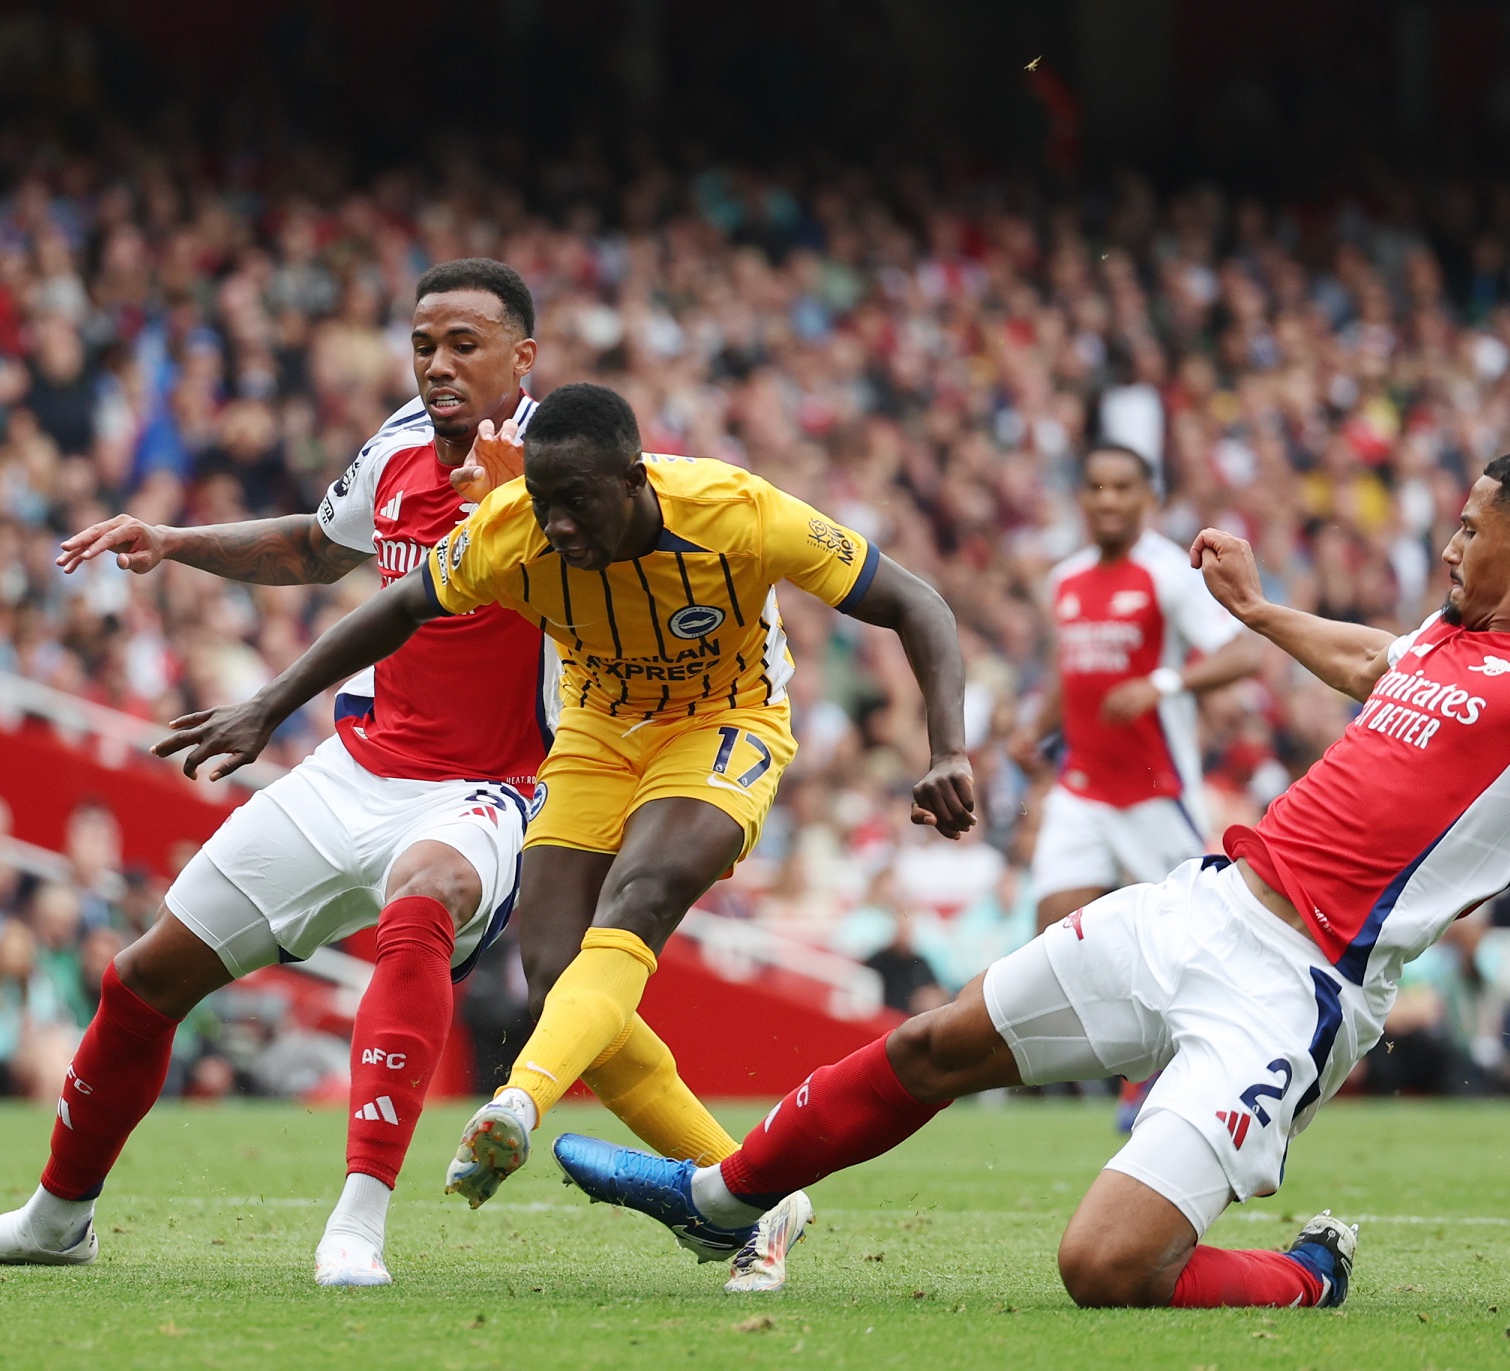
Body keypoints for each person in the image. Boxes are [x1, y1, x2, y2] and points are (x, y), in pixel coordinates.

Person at [553, 444, 1510, 1310]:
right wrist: (1260, 611)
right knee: (932, 1047)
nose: (1449, 543)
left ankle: (1307, 1277)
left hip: (1300, 987)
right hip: (1203, 902)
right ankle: (720, 1205)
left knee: (1105, 1269)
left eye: (1470, 528)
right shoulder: (1445, 636)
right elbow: (1372, 659)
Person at [156, 381, 975, 1284]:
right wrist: (269, 706)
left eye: (577, 502)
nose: (559, 527)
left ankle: (519, 1101)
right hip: (593, 732)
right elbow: (395, 608)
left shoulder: (739, 513)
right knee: (555, 973)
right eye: (543, 504)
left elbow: (916, 603)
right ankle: (762, 1194)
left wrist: (947, 750)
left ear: (633, 479)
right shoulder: (511, 529)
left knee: (644, 894)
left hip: (723, 722)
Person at [0, 258, 554, 1286]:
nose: (437, 365)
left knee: (424, 900)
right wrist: (173, 540)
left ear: (522, 358)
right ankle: (54, 1220)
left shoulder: (567, 470)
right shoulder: (394, 448)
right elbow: (312, 547)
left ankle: (358, 1224)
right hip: (359, 766)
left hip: (491, 784)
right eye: (423, 344)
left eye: (464, 345)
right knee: (143, 977)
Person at [1017, 444, 1261, 1127]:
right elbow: (1071, 669)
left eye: (1121, 486)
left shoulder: (1167, 573)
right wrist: (1035, 724)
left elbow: (1243, 650)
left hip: (1155, 789)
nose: (1107, 499)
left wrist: (1161, 683)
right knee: (1053, 934)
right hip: (1081, 787)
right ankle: (1134, 1066)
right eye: (1095, 486)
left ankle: (1181, 1069)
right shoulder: (1064, 579)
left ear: (1146, 497)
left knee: (1187, 944)